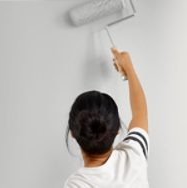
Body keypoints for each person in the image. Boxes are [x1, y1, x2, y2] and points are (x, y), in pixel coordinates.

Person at [64, 48, 149, 188]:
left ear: (72, 133)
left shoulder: (76, 184)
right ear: (117, 130)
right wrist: (128, 68)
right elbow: (140, 113)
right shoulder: (133, 156)